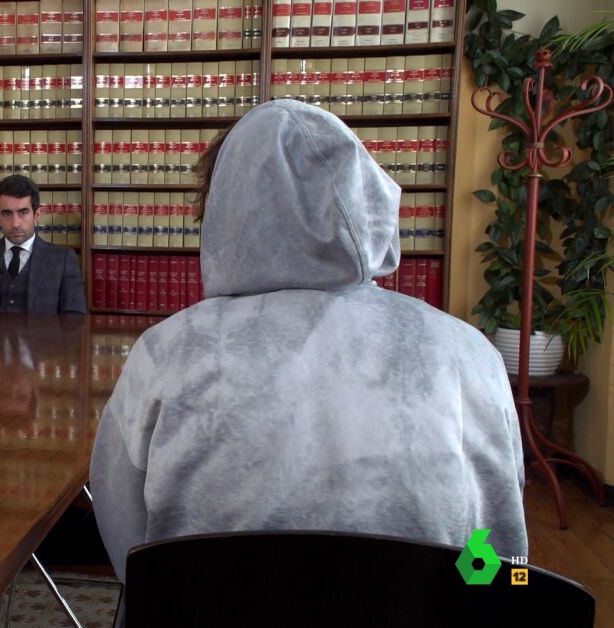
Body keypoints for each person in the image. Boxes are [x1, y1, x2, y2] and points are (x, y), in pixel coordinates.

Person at [90, 100, 528, 585]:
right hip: (425, 612)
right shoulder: (469, 352)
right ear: (366, 198)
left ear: (224, 211)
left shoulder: (165, 352)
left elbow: (124, 533)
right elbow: (500, 544)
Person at [0, 175, 87, 314]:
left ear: (36, 215)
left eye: (23, 213)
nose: (15, 224)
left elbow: (75, 317)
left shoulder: (63, 259)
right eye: (7, 214)